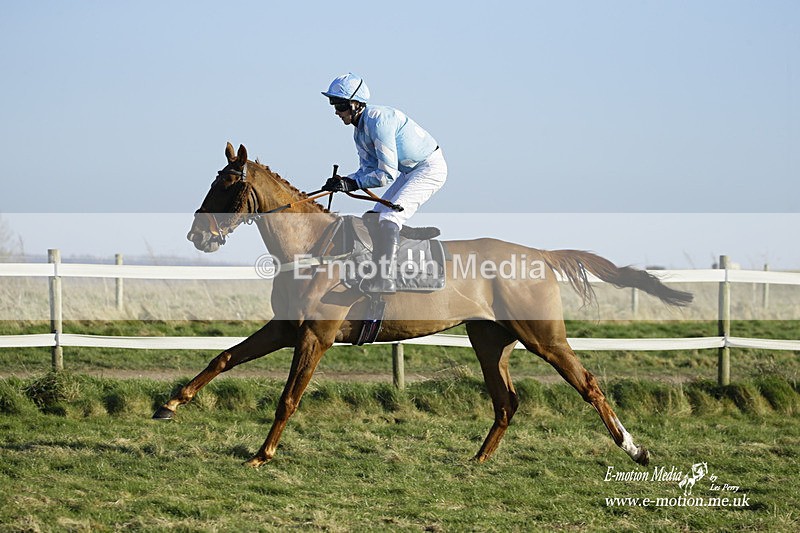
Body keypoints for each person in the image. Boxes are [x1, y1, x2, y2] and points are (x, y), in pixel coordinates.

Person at [321, 73, 447, 294]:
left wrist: (351, 184)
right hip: (409, 172)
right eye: (333, 104)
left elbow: (385, 175)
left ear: (356, 104)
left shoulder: (379, 121)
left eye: (340, 105)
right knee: (372, 218)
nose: (336, 111)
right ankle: (401, 235)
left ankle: (384, 279)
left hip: (429, 168)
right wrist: (343, 181)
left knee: (389, 217)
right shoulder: (359, 132)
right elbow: (367, 171)